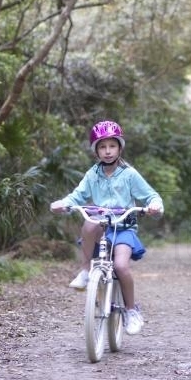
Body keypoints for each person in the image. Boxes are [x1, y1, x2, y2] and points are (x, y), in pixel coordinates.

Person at [50, 120, 164, 335]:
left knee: (121, 267)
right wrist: (64, 203)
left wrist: (154, 206)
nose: (108, 151)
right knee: (90, 221)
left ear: (119, 147)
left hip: (123, 229)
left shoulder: (129, 174)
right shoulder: (92, 175)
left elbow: (150, 195)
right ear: (96, 151)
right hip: (102, 227)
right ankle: (86, 270)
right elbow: (77, 196)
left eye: (112, 146)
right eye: (102, 147)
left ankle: (131, 310)